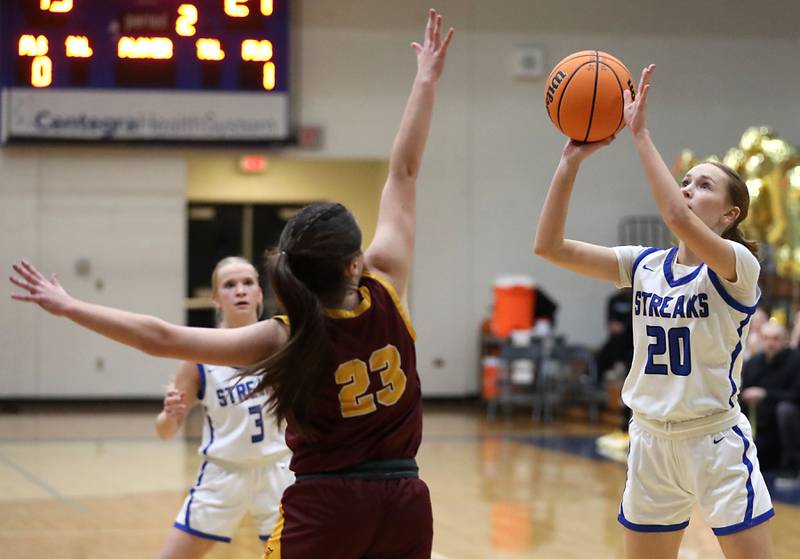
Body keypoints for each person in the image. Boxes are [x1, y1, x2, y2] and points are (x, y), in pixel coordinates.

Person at [10, 9, 453, 559]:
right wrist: (425, 80)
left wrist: (70, 305)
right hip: (406, 498)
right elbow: (404, 172)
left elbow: (159, 336)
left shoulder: (283, 335)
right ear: (353, 264)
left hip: (327, 505)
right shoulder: (386, 285)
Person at [534, 65, 773, 559]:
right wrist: (570, 163)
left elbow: (673, 216)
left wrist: (639, 132)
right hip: (648, 440)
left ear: (730, 215)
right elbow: (550, 246)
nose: (687, 189)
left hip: (714, 441)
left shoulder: (739, 266)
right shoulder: (644, 265)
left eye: (703, 186)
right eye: (685, 181)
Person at [155, 256, 293, 558]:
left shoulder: (283, 345)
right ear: (216, 299)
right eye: (229, 285)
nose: (240, 290)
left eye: (248, 283)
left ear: (259, 293)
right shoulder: (197, 356)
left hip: (279, 471)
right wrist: (170, 415)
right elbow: (165, 431)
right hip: (223, 473)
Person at [740, 321, 800, 472]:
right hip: (762, 426)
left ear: (784, 340)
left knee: (785, 410)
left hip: (790, 424)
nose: (770, 343)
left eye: (775, 338)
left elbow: (796, 395)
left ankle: (792, 467)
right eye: (766, 338)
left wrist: (765, 395)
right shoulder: (753, 363)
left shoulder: (795, 360)